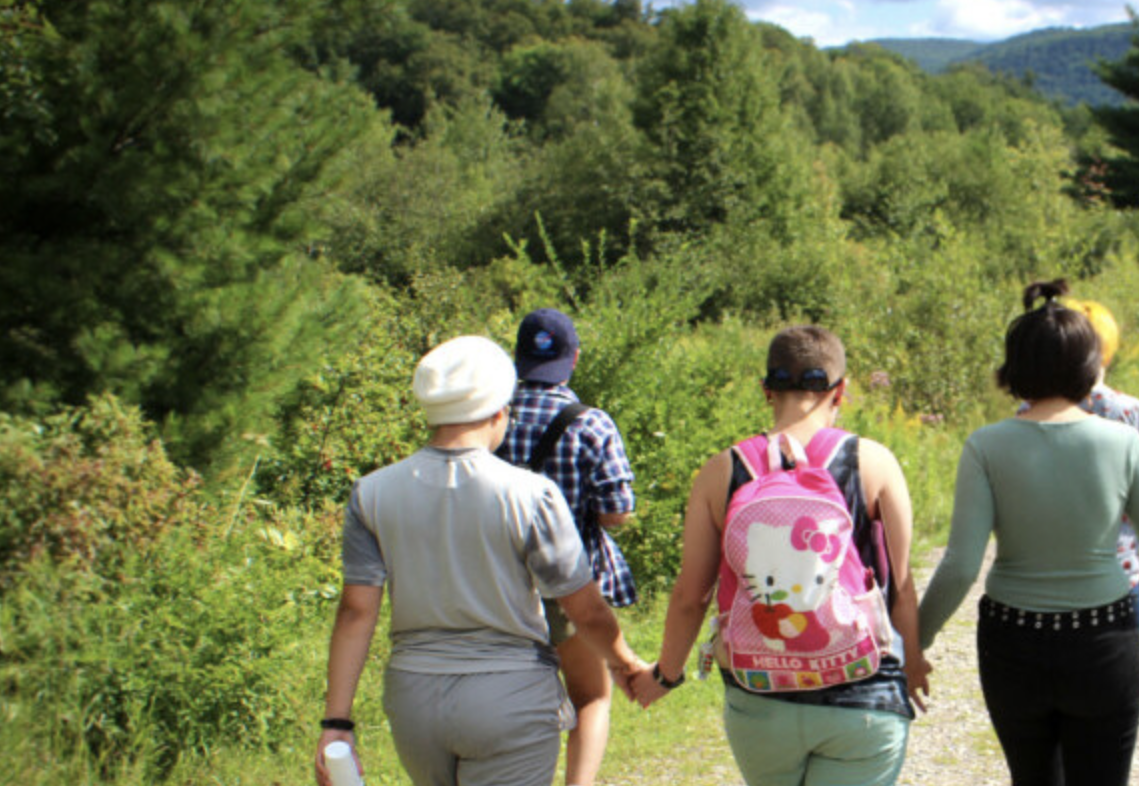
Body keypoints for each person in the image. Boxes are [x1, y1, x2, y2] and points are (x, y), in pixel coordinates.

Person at [316, 336, 647, 786]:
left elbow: (356, 611)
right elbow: (583, 608)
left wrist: (337, 723)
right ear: (498, 411)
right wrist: (626, 663)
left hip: (414, 699)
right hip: (510, 696)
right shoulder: (532, 494)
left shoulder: (371, 493)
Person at [917, 280, 1139, 786]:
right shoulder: (1124, 443)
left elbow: (959, 566)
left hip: (1012, 642)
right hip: (1105, 640)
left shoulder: (985, 447)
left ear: (1013, 369)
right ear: (1091, 366)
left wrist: (918, 639)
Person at [631, 326, 931, 786]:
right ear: (841, 390)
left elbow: (691, 596)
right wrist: (911, 665)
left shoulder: (720, 472)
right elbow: (903, 589)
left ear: (766, 390)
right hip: (863, 696)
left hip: (760, 700)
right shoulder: (873, 462)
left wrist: (666, 675)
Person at [494, 308, 639, 786]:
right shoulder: (591, 424)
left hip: (496, 585)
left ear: (516, 359)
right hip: (568, 586)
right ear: (574, 357)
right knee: (591, 698)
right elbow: (617, 511)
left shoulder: (488, 419)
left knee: (508, 705)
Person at [1068, 298, 1139, 632]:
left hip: (1053, 587)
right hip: (1121, 578)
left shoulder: (1030, 412)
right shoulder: (1131, 411)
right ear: (1107, 350)